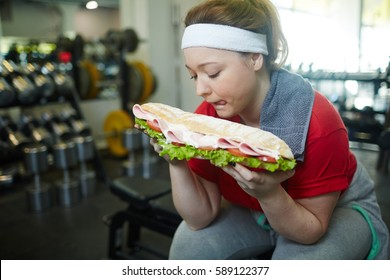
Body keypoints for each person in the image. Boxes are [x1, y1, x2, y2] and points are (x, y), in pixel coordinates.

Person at [151, 0, 390, 259]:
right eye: (194, 76)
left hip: (332, 212)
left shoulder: (317, 122)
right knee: (189, 244)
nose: (201, 90)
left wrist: (270, 193)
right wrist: (176, 163)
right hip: (256, 209)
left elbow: (310, 231)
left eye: (213, 73)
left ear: (255, 58)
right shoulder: (210, 115)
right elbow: (199, 219)